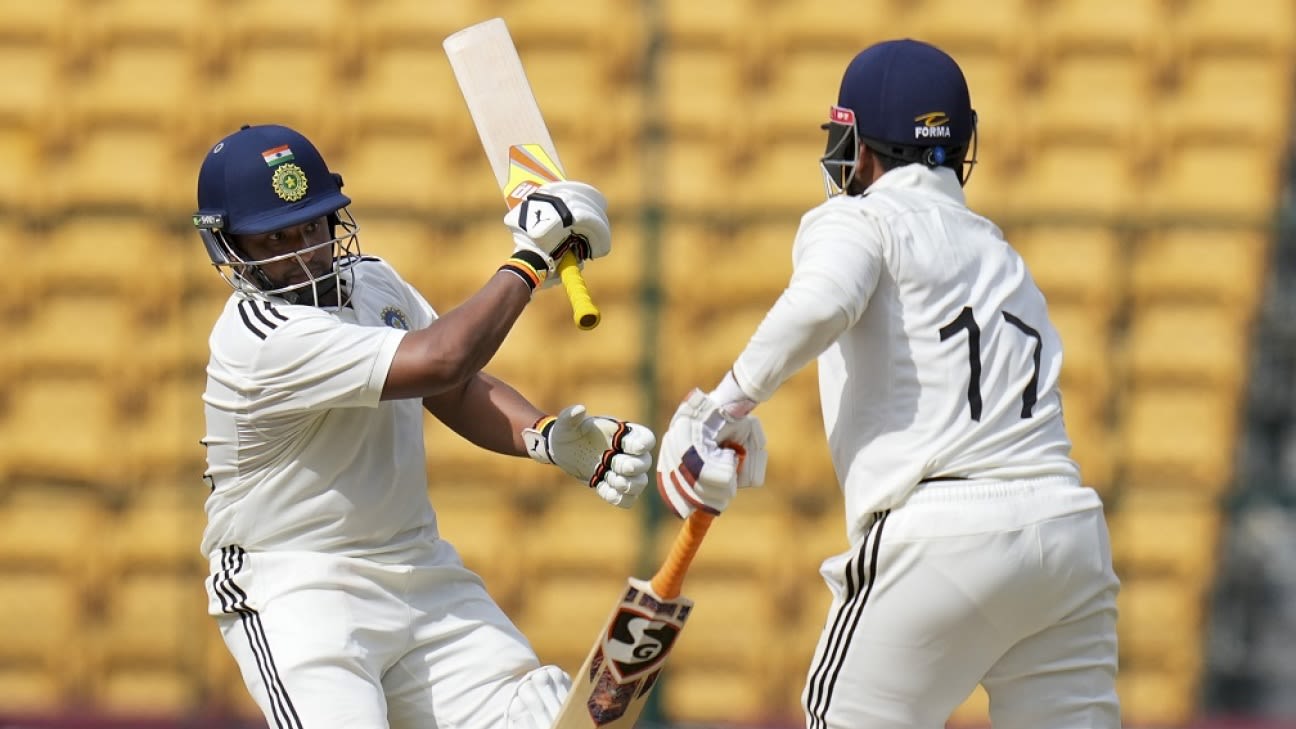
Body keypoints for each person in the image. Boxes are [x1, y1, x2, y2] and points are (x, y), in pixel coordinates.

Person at [655, 39, 1120, 729]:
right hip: (1067, 536)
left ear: (862, 151)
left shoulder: (860, 215)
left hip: (943, 536)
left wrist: (718, 409)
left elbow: (821, 301)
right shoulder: (1000, 252)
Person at [193, 123, 657, 729]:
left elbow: (453, 388)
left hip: (419, 569)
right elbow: (444, 357)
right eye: (276, 239)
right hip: (297, 585)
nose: (305, 251)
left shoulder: (374, 282)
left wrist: (542, 436)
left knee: (541, 717)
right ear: (230, 248)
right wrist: (532, 258)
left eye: (311, 227)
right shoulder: (258, 339)